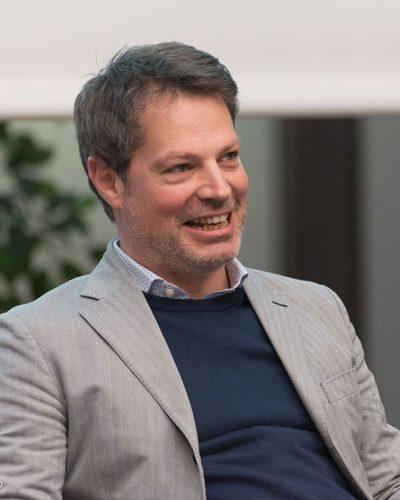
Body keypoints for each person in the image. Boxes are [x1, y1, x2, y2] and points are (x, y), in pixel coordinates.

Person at [0, 42, 399, 500]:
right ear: (108, 180)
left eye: (228, 157)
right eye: (182, 167)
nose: (219, 188)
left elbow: (387, 479)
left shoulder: (317, 308)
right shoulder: (38, 343)